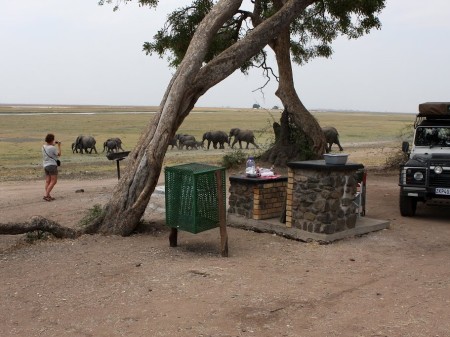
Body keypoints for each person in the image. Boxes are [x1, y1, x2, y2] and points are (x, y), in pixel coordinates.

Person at [42, 133, 61, 201]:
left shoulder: (43, 147)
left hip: (45, 165)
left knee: (48, 181)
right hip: (52, 165)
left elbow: (49, 148)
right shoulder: (53, 148)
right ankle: (46, 195)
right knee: (53, 181)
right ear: (52, 139)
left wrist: (53, 143)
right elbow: (59, 154)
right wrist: (59, 146)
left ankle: (48, 195)